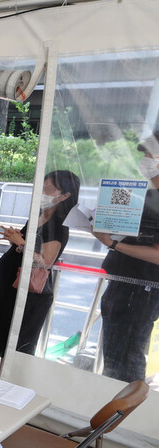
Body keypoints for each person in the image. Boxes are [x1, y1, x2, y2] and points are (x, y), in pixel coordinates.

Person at [0, 171, 77, 360]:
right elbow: (27, 251)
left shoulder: (58, 225)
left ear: (65, 195)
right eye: (41, 187)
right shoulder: (38, 217)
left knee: (16, 350)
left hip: (28, 295)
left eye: (48, 189)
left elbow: (45, 262)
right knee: (2, 344)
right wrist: (15, 240)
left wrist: (21, 242)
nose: (41, 192)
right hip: (8, 289)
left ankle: (8, 385)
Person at [92, 131, 159, 382]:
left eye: (150, 154)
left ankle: (123, 408)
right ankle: (115, 403)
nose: (145, 160)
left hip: (140, 290)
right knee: (116, 352)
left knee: (127, 354)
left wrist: (112, 243)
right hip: (125, 284)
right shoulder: (146, 196)